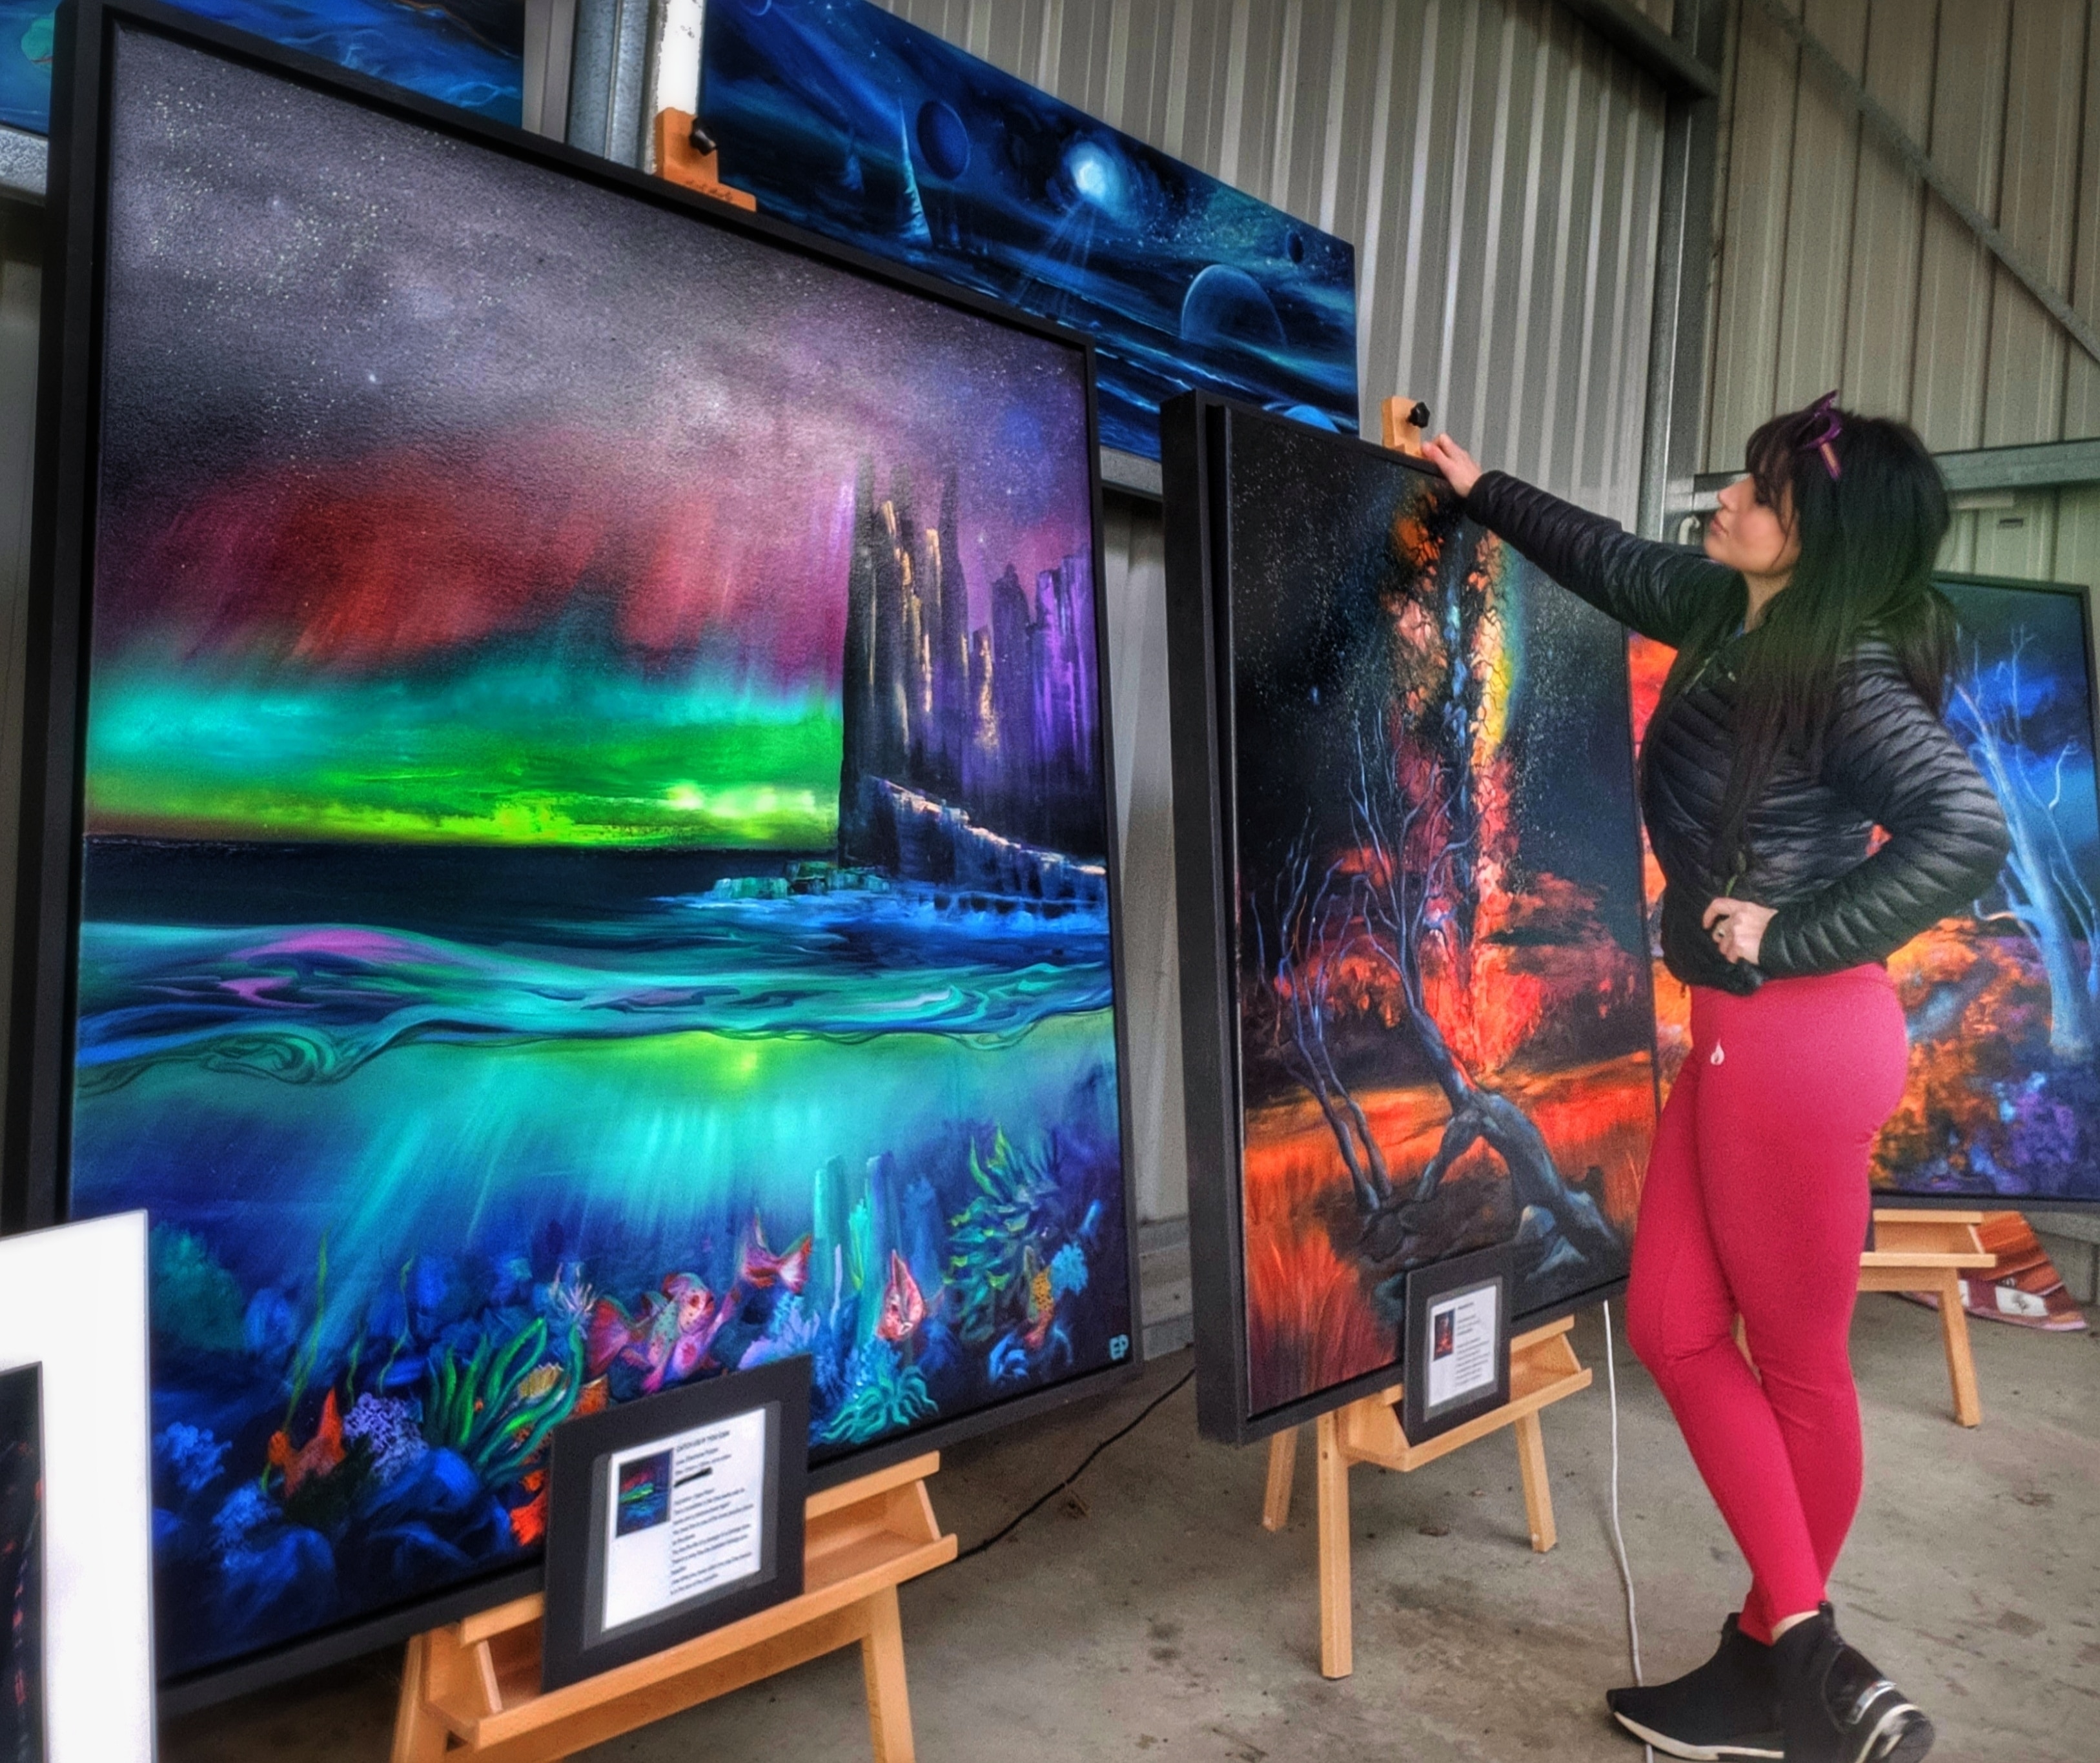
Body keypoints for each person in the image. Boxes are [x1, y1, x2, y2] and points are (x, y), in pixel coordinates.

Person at [1422, 396, 2010, 1763]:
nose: (1724, 506)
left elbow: (1965, 827)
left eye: (1755, 493)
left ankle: (1782, 1662)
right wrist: (1478, 484)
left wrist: (1782, 933)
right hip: (1747, 1039)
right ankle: (1793, 1655)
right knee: (1674, 1326)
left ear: (1812, 536)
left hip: (1797, 1040)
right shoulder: (1728, 609)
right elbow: (1610, 556)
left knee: (1796, 1366)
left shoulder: (1840, 671)